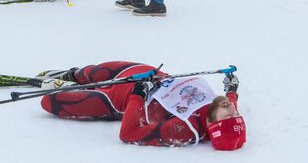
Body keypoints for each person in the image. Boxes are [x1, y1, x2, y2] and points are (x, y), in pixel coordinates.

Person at [38, 61, 246, 150]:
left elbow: (129, 133)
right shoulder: (219, 106)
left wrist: (138, 94)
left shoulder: (184, 129)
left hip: (121, 98)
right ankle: (72, 76)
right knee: (90, 72)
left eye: (229, 115)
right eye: (235, 113)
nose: (231, 107)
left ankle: (68, 88)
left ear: (212, 126)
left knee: (50, 102)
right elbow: (231, 104)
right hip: (148, 72)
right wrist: (232, 88)